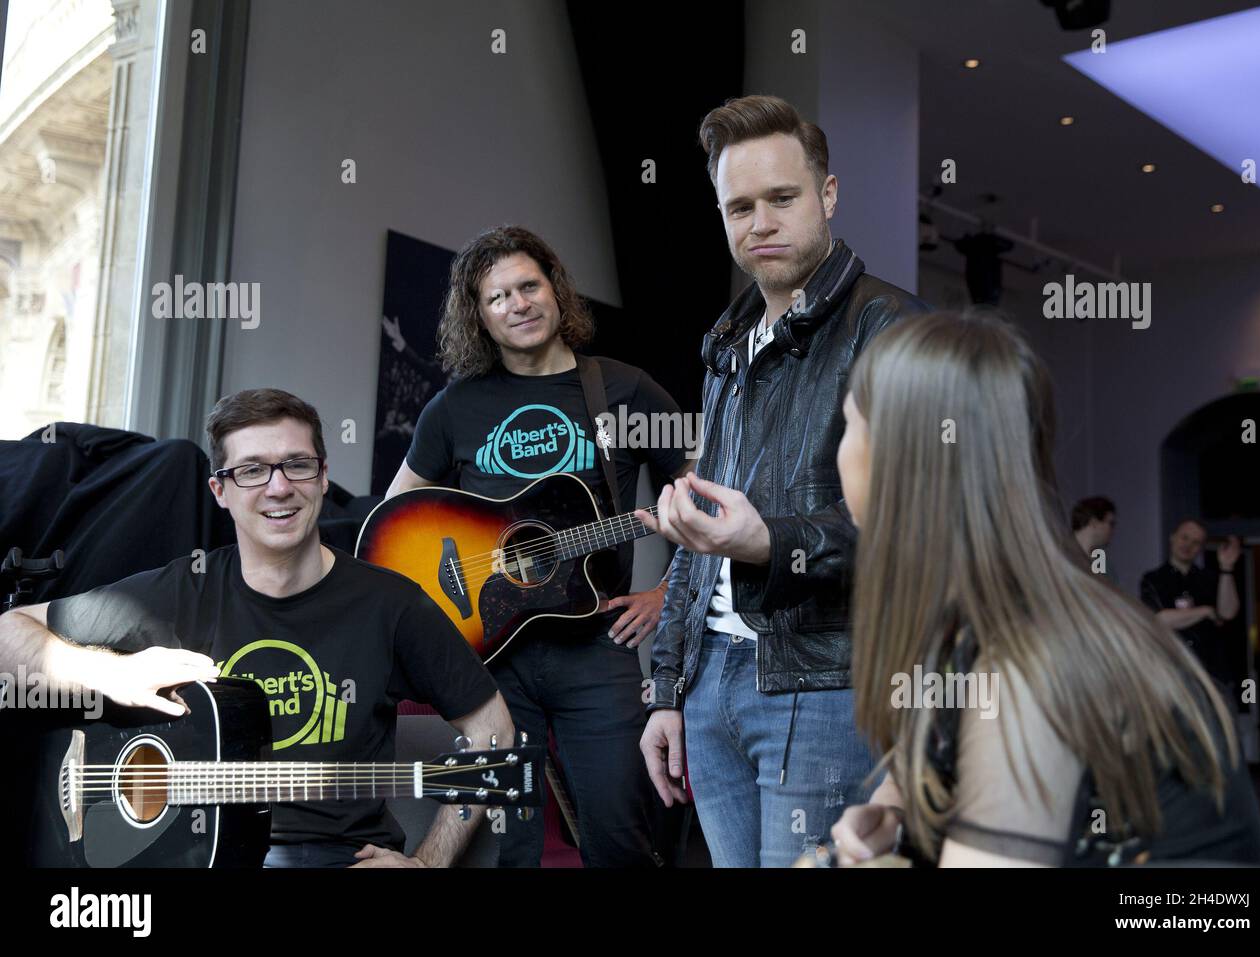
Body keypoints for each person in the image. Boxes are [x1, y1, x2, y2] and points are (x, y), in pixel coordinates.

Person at [829, 311, 1260, 867]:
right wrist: (895, 815)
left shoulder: (1024, 661)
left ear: (896, 454)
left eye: (847, 425)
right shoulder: (972, 613)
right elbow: (935, 756)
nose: (837, 453)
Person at [0, 388, 512, 868]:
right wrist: (111, 674)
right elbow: (8, 632)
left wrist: (429, 862)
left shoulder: (392, 603)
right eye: (251, 470)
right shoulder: (181, 590)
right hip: (192, 856)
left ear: (323, 476)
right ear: (219, 491)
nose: (279, 487)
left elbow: (494, 729)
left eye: (297, 464)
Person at [635, 94, 927, 867]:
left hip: (825, 680)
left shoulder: (892, 327)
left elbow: (915, 525)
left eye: (782, 198)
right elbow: (698, 539)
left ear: (827, 195)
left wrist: (772, 541)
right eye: (739, 206)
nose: (759, 221)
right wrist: (668, 689)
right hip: (711, 684)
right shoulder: (728, 344)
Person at [387, 225, 688, 867]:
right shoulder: (454, 407)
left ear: (556, 291)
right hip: (489, 656)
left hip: (598, 645)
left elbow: (705, 504)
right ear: (479, 316)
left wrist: (669, 593)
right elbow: (391, 520)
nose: (518, 304)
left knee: (617, 830)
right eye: (498, 297)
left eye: (529, 285)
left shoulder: (625, 390)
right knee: (507, 845)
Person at [1140, 520, 1241, 692]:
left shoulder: (1208, 579)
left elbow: (1228, 613)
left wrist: (1226, 568)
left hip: (1211, 673)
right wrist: (1205, 611)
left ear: (1201, 547)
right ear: (1173, 538)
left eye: (1195, 542)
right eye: (1184, 538)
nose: (1188, 545)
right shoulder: (1154, 579)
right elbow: (1160, 620)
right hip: (1171, 671)